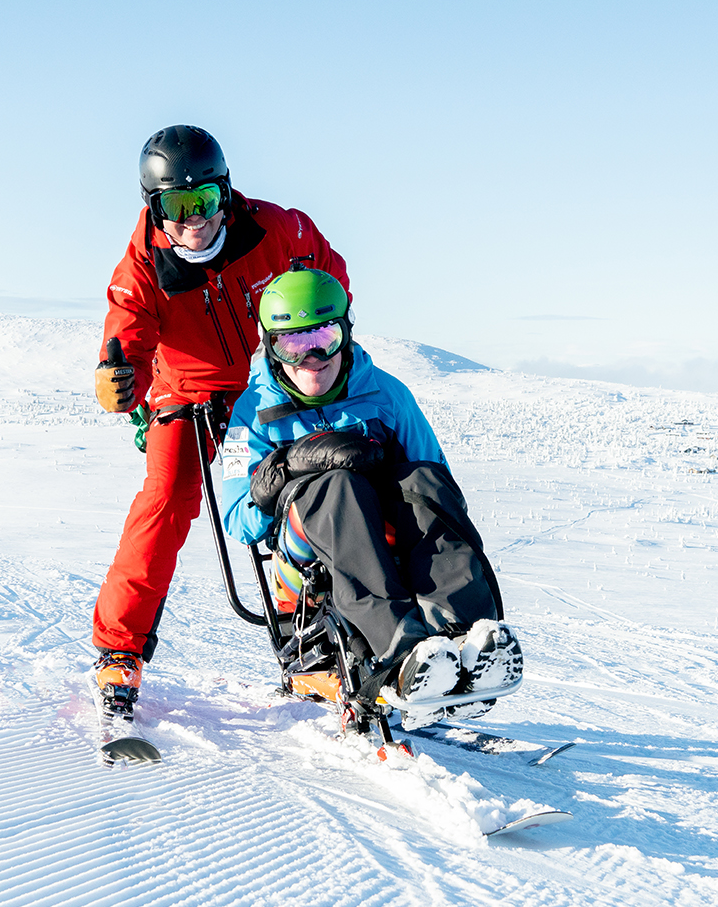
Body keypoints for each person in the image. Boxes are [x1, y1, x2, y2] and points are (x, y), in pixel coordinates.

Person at [90, 126, 350, 728]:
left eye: (205, 200)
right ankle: (119, 651)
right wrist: (119, 377)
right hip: (187, 397)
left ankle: (311, 645)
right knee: (166, 499)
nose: (195, 220)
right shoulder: (143, 264)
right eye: (177, 206)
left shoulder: (275, 230)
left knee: (308, 489)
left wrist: (324, 335)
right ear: (155, 208)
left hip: (268, 388)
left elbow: (327, 270)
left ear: (225, 193)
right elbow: (127, 334)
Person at [217, 268, 521, 730]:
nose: (311, 358)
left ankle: (466, 637)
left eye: (324, 337)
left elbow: (439, 487)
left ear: (346, 332)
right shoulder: (251, 413)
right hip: (303, 571)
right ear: (270, 347)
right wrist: (289, 466)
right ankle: (399, 648)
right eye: (292, 344)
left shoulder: (387, 395)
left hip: (387, 542)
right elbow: (239, 522)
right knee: (336, 486)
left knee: (424, 480)